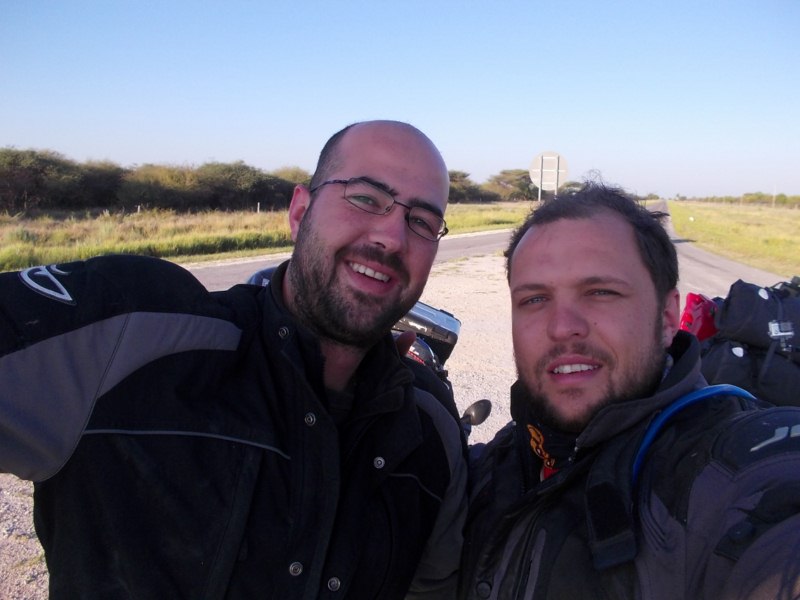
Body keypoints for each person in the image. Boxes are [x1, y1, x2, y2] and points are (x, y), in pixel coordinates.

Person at [0, 120, 468, 599]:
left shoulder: (428, 427)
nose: (393, 237)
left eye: (422, 222)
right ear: (299, 212)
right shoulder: (132, 335)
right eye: (366, 198)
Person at [459, 183, 800, 599]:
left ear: (668, 317)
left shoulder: (725, 470)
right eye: (534, 299)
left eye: (601, 292)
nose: (562, 326)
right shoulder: (502, 461)